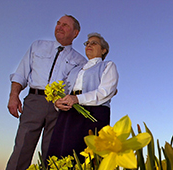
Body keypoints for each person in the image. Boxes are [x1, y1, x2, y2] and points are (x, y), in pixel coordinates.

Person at [0, 15, 87, 170]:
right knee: (21, 149)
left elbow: (71, 85)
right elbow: (21, 72)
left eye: (65, 25)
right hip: (34, 101)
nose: (59, 27)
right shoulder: (38, 46)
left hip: (61, 107)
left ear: (75, 33)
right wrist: (14, 96)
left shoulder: (79, 60)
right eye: (58, 23)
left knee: (52, 154)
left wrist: (60, 101)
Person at [47, 32, 119, 161]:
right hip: (69, 112)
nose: (89, 45)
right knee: (62, 150)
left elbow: (105, 92)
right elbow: (65, 90)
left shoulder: (108, 66)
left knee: (86, 153)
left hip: (94, 112)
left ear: (103, 50)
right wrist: (58, 103)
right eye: (87, 43)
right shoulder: (75, 69)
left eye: (94, 43)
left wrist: (77, 99)